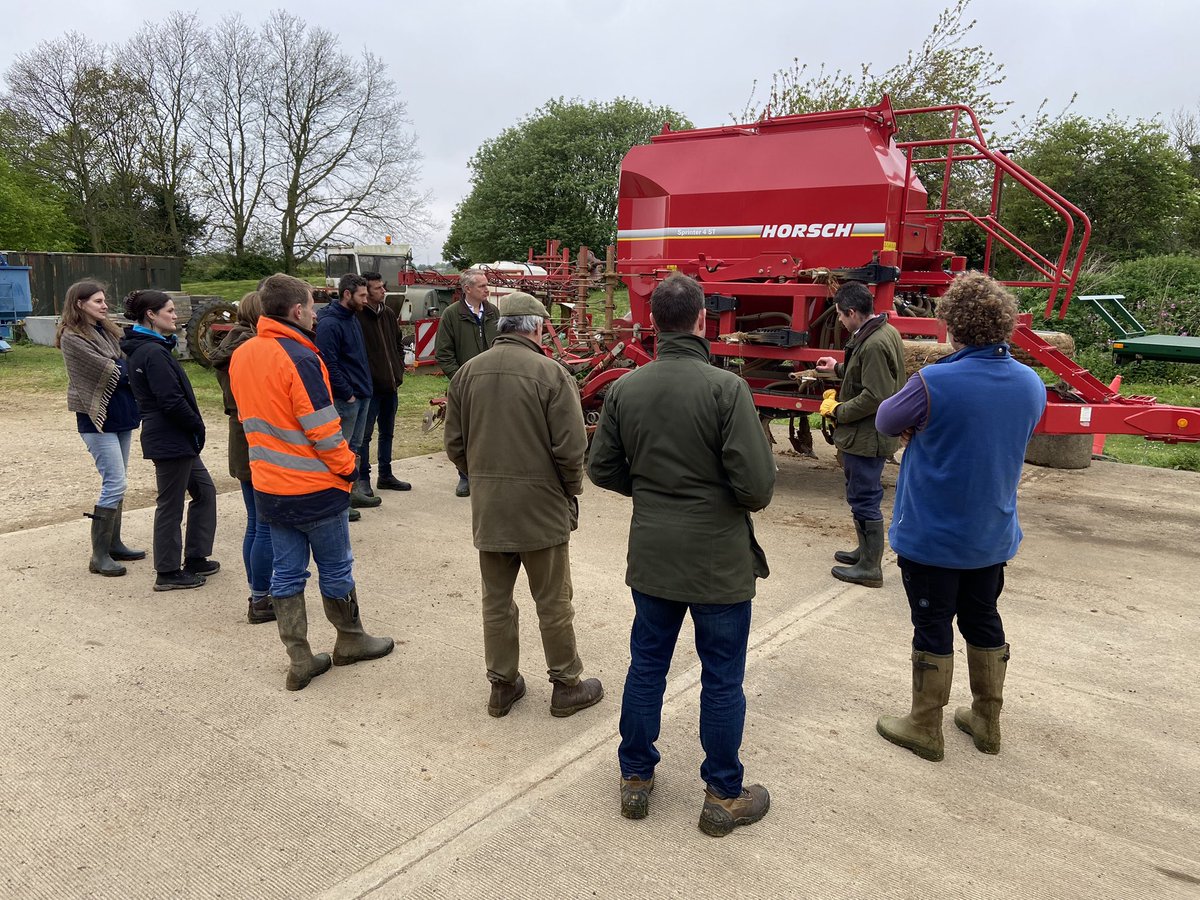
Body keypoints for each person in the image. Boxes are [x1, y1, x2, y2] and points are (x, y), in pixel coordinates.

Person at [588, 272, 776, 838]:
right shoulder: (727, 389)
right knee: (722, 678)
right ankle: (723, 794)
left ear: (653, 324)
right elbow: (757, 489)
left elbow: (601, 468)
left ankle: (635, 780)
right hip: (718, 560)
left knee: (647, 666)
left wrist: (650, 493)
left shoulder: (625, 388)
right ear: (701, 320)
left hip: (653, 554)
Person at [873, 272, 1047, 763]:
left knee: (932, 626)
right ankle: (987, 723)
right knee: (983, 618)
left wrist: (922, 427)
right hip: (991, 534)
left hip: (933, 536)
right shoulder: (1031, 383)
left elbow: (887, 420)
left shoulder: (934, 380)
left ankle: (925, 726)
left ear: (951, 325)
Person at [229, 274, 394, 691]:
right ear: (297, 310)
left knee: (287, 573)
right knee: (336, 567)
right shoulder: (300, 357)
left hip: (269, 485)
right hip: (315, 487)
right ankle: (351, 640)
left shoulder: (245, 353)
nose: (317, 313)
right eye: (312, 306)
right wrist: (347, 468)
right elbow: (322, 425)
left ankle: (299, 659)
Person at [444, 291, 603, 720]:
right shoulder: (551, 374)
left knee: (496, 601)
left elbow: (455, 446)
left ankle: (502, 684)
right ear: (535, 327)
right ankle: (566, 685)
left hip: (490, 508)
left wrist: (481, 478)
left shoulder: (465, 375)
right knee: (552, 600)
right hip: (541, 506)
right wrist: (569, 492)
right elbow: (572, 449)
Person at [120, 290, 219, 592]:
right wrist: (197, 426)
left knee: (205, 492)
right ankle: (167, 571)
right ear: (151, 314)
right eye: (170, 310)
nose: (176, 316)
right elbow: (170, 401)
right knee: (171, 505)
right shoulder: (151, 352)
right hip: (170, 436)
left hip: (177, 437)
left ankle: (196, 556)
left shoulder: (153, 348)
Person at [815, 281, 905, 588]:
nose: (839, 321)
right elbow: (865, 372)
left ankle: (870, 567)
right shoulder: (881, 331)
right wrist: (838, 367)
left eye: (840, 316)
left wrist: (837, 410)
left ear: (852, 312)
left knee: (864, 497)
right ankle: (864, 552)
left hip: (867, 437)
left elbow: (875, 396)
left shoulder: (874, 343)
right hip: (868, 435)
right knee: (860, 494)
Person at [57, 279, 144, 577]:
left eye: (105, 300)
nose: (105, 305)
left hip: (121, 414)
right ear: (80, 304)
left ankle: (114, 543)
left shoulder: (107, 330)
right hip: (97, 418)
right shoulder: (72, 337)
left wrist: (130, 366)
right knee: (115, 482)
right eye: (97, 301)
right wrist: (132, 368)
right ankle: (99, 556)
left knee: (120, 482)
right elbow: (113, 371)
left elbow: (127, 360)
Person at [212, 291, 275, 625]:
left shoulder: (231, 347)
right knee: (264, 526)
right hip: (254, 438)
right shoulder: (251, 349)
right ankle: (262, 597)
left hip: (241, 439)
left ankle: (258, 593)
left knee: (255, 522)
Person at [315, 273, 378, 518]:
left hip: (363, 394)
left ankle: (351, 492)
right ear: (347, 294)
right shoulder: (330, 323)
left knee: (355, 446)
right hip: (347, 398)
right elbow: (328, 363)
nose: (366, 299)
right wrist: (347, 394)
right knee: (341, 447)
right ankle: (338, 499)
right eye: (362, 295)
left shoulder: (353, 317)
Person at [435, 270, 498, 497]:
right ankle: (465, 476)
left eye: (487, 285)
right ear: (467, 289)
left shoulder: (493, 312)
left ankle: (487, 474)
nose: (487, 289)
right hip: (465, 386)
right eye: (481, 286)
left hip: (493, 383)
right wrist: (461, 378)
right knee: (465, 431)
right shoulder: (452, 315)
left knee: (491, 430)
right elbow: (443, 353)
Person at [357, 272, 410, 492]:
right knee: (364, 436)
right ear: (367, 292)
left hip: (390, 385)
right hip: (370, 388)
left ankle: (386, 474)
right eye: (378, 288)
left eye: (383, 286)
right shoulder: (358, 317)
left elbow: (398, 342)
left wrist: (398, 368)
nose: (383, 291)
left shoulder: (388, 313)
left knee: (387, 432)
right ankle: (363, 479)